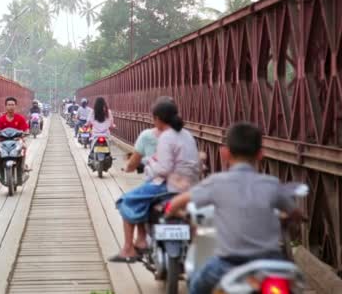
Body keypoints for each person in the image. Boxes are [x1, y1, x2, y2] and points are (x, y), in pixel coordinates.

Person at [166, 122, 303, 294]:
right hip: (270, 262)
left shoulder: (217, 183)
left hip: (228, 264)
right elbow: (295, 213)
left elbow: (179, 201)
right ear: (261, 154)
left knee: (195, 285)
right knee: (295, 285)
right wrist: (293, 217)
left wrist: (171, 211)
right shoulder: (272, 184)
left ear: (224, 153)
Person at [109, 100, 200, 263]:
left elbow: (164, 168)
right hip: (190, 185)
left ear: (158, 118)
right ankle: (143, 240)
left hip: (168, 186)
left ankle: (130, 248)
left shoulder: (166, 136)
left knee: (126, 201)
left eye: (154, 118)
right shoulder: (187, 135)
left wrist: (150, 165)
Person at [0, 97, 29, 182]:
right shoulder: (1, 119)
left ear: (16, 106)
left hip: (17, 140)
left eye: (12, 105)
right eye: (9, 105)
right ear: (5, 106)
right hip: (4, 141)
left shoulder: (20, 118)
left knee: (24, 147)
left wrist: (25, 133)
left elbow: (26, 129)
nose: (11, 106)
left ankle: (23, 167)